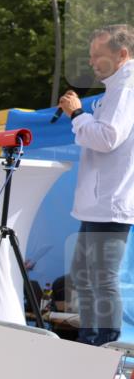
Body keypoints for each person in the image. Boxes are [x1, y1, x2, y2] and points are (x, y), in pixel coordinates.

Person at [58, 24, 134, 346]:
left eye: (97, 56)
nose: (92, 62)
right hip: (99, 202)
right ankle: (92, 343)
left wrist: (77, 115)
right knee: (87, 278)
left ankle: (105, 349)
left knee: (101, 279)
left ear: (122, 54)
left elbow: (107, 137)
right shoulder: (116, 88)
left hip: (111, 203)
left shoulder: (127, 87)